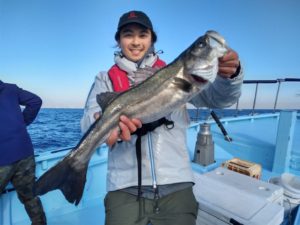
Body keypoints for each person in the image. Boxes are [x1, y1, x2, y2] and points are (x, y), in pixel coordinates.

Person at [81, 10, 243, 225]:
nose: (136, 42)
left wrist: (231, 76)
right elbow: (87, 125)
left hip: (176, 182)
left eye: (143, 35)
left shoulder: (177, 72)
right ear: (119, 40)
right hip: (123, 187)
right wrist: (102, 122)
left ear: (152, 40)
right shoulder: (104, 79)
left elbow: (220, 99)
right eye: (128, 34)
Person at [0, 80, 47, 225]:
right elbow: (35, 101)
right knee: (30, 197)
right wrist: (21, 122)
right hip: (24, 152)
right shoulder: (10, 89)